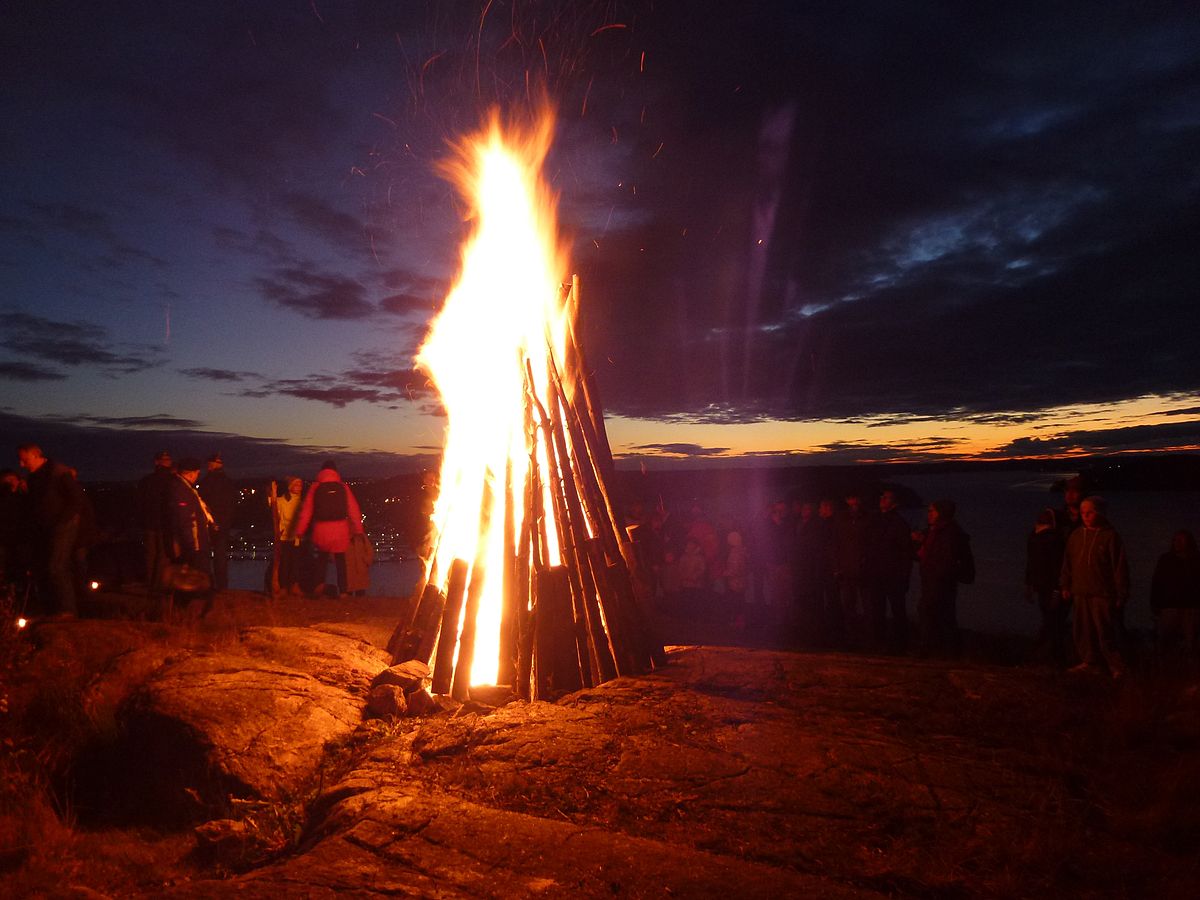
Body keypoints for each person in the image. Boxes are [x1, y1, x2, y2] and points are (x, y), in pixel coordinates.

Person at [1059, 496, 1129, 679]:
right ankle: (1090, 662)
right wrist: (1065, 584)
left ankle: (1116, 666)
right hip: (1080, 591)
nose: (1085, 516)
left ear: (1099, 512)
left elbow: (1119, 567)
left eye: (1090, 512)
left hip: (1102, 594)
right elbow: (1067, 562)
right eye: (1083, 512)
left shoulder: (1110, 537)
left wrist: (1121, 593)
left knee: (1105, 631)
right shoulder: (1076, 536)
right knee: (1083, 630)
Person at [18, 444, 85, 618]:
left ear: (35, 455)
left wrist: (62, 521)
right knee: (47, 568)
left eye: (25, 460)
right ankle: (54, 609)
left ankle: (68, 611)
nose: (22, 464)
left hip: (63, 525)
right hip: (46, 528)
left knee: (57, 566)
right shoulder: (33, 478)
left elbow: (76, 499)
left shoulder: (58, 472)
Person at [295, 460, 364, 598]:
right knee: (341, 562)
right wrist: (358, 529)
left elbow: (307, 511)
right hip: (340, 529)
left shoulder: (315, 487)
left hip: (321, 529)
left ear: (322, 471)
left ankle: (319, 588)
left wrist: (299, 531)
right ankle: (344, 591)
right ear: (335, 471)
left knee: (322, 560)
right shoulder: (343, 487)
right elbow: (353, 509)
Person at [916, 499, 974, 658]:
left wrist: (938, 577)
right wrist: (920, 544)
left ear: (941, 513)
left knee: (932, 614)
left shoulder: (948, 533)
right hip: (934, 581)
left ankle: (929, 651)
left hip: (940, 583)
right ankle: (946, 651)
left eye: (932, 511)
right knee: (942, 616)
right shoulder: (935, 531)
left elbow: (946, 559)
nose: (929, 514)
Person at [868, 489, 914, 654]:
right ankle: (879, 643)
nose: (882, 499)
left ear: (894, 503)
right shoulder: (876, 520)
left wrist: (904, 576)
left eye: (886, 498)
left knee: (897, 611)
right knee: (877, 610)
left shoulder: (899, 524)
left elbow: (906, 553)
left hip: (893, 576)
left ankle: (899, 645)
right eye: (882, 496)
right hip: (876, 574)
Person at [1149, 529, 1200, 667]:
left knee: (1191, 642)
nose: (1177, 542)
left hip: (1191, 607)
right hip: (1169, 606)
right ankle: (1166, 667)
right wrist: (1155, 603)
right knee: (1166, 640)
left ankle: (1190, 669)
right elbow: (1157, 581)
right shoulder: (1166, 559)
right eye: (1175, 540)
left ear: (1189, 542)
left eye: (1181, 540)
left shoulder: (1196, 560)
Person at [1024, 508, 1069, 666]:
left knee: (1051, 622)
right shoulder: (1040, 537)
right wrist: (1029, 584)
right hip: (1044, 587)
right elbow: (1032, 563)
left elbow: (1057, 566)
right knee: (1051, 622)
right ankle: (1052, 658)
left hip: (1049, 587)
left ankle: (1047, 657)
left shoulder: (1050, 538)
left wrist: (1057, 589)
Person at [833, 492, 871, 647]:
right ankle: (851, 637)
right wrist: (837, 566)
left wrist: (866, 561)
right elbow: (835, 544)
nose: (853, 500)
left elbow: (871, 543)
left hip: (863, 570)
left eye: (855, 497)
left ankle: (870, 638)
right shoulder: (842, 518)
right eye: (850, 497)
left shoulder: (868, 518)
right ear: (847, 500)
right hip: (846, 569)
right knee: (848, 605)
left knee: (867, 605)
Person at [135, 450, 175, 592]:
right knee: (163, 555)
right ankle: (159, 585)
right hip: (165, 524)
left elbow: (139, 504)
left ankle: (150, 583)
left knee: (151, 555)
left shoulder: (146, 481)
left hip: (149, 524)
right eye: (167, 459)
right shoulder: (172, 481)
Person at [199, 453, 237, 591]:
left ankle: (206, 584)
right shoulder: (228, 482)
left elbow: (201, 504)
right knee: (220, 556)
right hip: (224, 524)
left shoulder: (205, 483)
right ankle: (222, 586)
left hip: (207, 524)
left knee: (204, 555)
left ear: (211, 465)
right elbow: (232, 505)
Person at [268, 476, 305, 596]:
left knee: (295, 563)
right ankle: (283, 586)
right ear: (290, 487)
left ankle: (294, 585)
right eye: (296, 484)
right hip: (284, 537)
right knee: (285, 562)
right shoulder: (283, 501)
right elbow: (273, 505)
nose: (299, 487)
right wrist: (272, 493)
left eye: (300, 485)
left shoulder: (301, 502)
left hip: (296, 538)